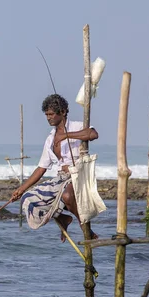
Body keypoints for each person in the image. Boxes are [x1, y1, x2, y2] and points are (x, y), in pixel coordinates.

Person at [11, 94, 99, 241]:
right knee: (28, 200)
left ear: (62, 112)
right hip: (61, 178)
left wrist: (66, 135)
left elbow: (93, 134)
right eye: (46, 114)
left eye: (51, 114)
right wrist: (20, 190)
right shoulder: (50, 139)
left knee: (67, 196)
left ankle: (85, 228)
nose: (48, 118)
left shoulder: (76, 126)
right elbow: (41, 168)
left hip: (79, 174)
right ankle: (63, 219)